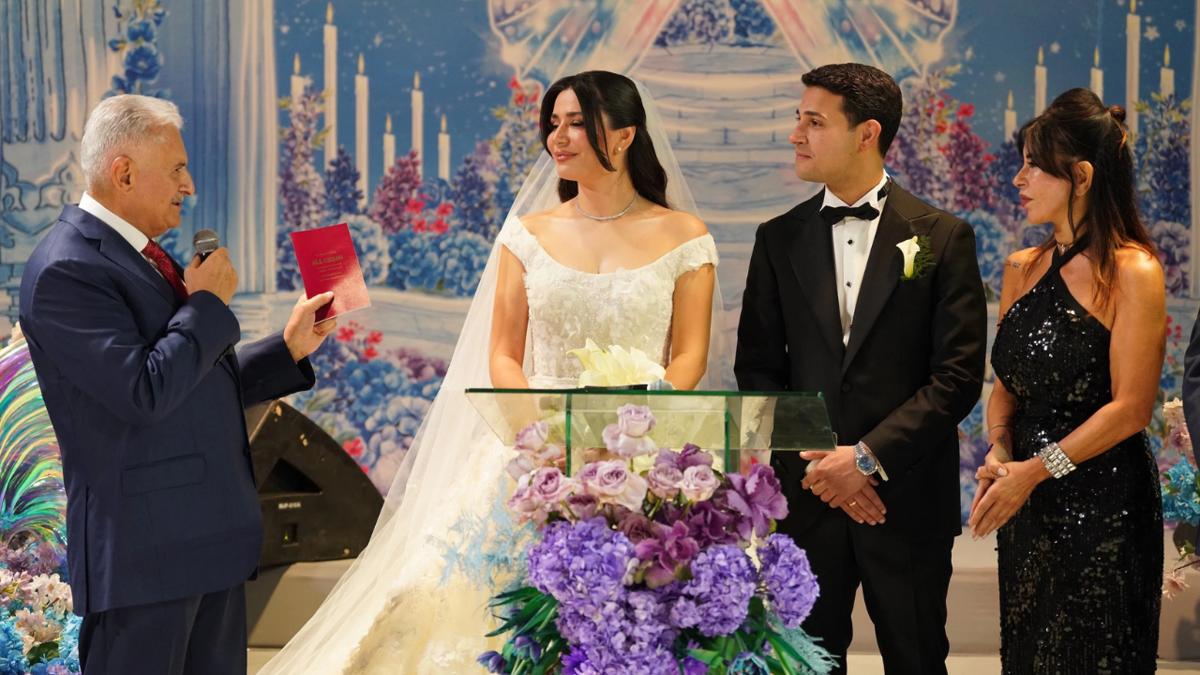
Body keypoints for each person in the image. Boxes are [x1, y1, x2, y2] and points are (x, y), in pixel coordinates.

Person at [259, 71, 729, 674]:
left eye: (577, 123)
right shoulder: (527, 235)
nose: (558, 138)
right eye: (553, 124)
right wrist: (544, 443)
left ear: (625, 135)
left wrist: (633, 433)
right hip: (533, 444)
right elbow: (504, 354)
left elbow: (689, 356)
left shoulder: (684, 236)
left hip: (644, 444)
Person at [17, 94, 336, 675]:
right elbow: (144, 393)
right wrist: (207, 303)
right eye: (178, 169)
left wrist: (287, 348)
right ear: (124, 173)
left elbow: (192, 383)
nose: (188, 186)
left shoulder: (138, 255)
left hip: (204, 546)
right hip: (144, 559)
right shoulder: (67, 268)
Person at [735, 63, 987, 674]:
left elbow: (956, 378)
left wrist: (867, 460)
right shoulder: (777, 238)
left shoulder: (941, 237)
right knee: (806, 664)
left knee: (917, 659)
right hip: (809, 498)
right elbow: (759, 371)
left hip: (906, 498)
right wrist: (823, 468)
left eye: (814, 122)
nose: (796, 134)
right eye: (798, 119)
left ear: (867, 133)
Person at [969, 88, 1165, 673]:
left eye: (1034, 165)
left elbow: (1131, 409)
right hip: (1027, 505)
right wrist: (1000, 450)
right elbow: (1005, 387)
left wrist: (1034, 470)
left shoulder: (1133, 270)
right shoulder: (1019, 267)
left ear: (1080, 176)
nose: (1018, 179)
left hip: (1106, 506)